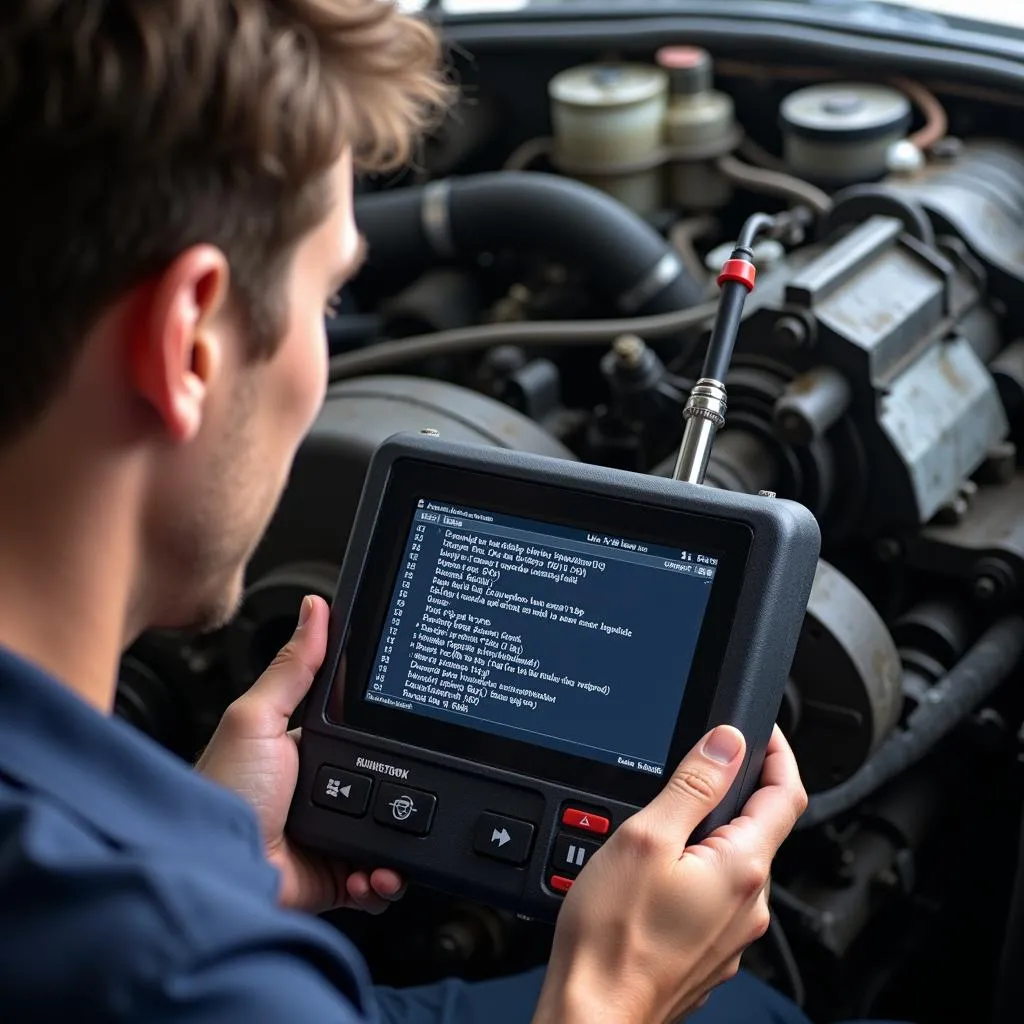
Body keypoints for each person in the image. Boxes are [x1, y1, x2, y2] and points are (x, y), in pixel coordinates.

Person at [0, 3, 906, 1022]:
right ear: (191, 343)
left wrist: (213, 847)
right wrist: (611, 998)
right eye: (328, 299)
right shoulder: (188, 975)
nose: (323, 357)